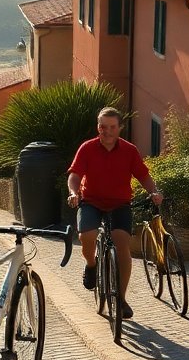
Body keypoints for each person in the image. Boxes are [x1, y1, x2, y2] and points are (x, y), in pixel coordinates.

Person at [66, 107, 163, 320]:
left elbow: (143, 176)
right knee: (87, 236)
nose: (107, 131)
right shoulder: (87, 148)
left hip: (120, 204)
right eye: (103, 127)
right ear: (98, 127)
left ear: (120, 128)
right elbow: (74, 175)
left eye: (112, 127)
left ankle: (120, 298)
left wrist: (154, 192)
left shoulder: (129, 151)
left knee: (122, 246)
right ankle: (92, 265)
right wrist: (74, 193)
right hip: (91, 202)